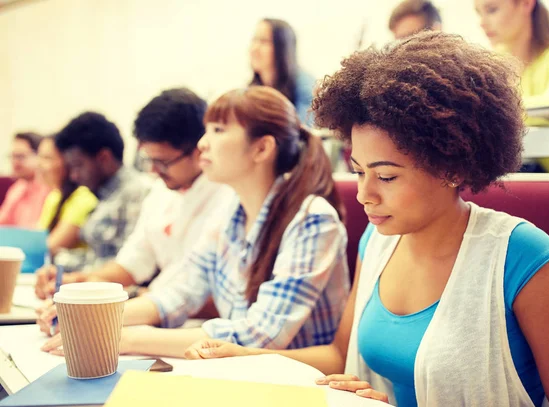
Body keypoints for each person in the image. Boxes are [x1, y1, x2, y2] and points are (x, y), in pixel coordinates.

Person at [183, 33, 549, 407]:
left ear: (453, 167)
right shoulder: (379, 239)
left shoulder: (523, 258)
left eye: (385, 176)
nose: (365, 194)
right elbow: (338, 353)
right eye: (359, 171)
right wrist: (248, 356)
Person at [39, 86, 350, 359]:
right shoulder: (230, 212)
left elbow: (262, 334)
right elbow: (181, 290)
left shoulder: (312, 219)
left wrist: (124, 338)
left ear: (262, 148)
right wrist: (94, 316)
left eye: (218, 130)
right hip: (240, 373)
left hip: (298, 384)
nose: (203, 143)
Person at [34, 88, 234, 301]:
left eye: (162, 162)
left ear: (199, 149)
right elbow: (133, 262)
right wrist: (81, 281)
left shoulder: (227, 196)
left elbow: (220, 296)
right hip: (160, 306)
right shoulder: (161, 192)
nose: (153, 171)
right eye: (149, 160)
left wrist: (139, 295)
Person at [475, 0, 549, 173]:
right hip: (519, 174)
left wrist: (493, 110)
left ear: (526, 4)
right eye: (478, 13)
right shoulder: (495, 62)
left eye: (492, 10)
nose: (482, 22)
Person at [38, 112, 150, 271]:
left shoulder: (136, 193)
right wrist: (57, 264)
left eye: (78, 165)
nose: (73, 176)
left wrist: (65, 270)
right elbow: (98, 256)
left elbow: (126, 266)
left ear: (104, 157)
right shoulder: (104, 194)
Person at [36, 135, 98, 268]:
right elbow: (37, 241)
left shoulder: (83, 197)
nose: (39, 165)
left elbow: (48, 247)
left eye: (47, 158)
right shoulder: (54, 196)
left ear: (67, 163)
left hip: (73, 276)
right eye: (39, 157)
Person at [250, 18, 315, 126]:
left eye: (264, 41)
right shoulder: (251, 89)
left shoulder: (305, 84)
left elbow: (304, 130)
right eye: (254, 40)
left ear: (282, 47)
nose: (254, 48)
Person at [0, 132, 50, 227]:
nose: (15, 162)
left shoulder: (49, 189)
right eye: (12, 156)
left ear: (39, 156)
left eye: (20, 157)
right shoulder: (18, 187)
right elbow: (3, 220)